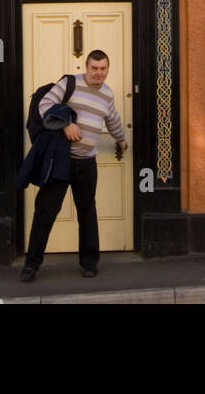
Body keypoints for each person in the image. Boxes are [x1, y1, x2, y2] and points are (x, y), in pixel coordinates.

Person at [21, 49, 127, 282]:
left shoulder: (107, 94)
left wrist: (121, 140)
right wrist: (66, 124)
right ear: (86, 67)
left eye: (103, 69)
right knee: (45, 211)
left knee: (87, 212)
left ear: (108, 69)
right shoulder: (69, 83)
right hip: (60, 161)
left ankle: (89, 263)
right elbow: (45, 103)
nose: (98, 73)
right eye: (94, 68)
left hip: (86, 162)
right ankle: (31, 265)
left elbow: (113, 120)